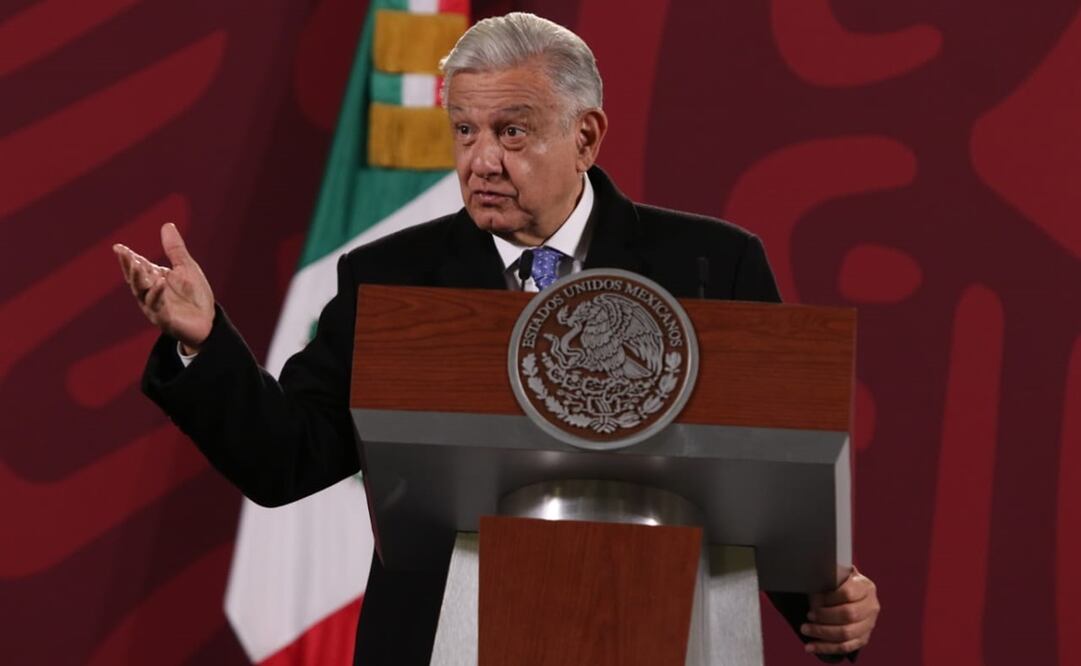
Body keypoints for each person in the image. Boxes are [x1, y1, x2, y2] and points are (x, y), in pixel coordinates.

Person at [114, 12, 879, 665]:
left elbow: (764, 466)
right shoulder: (392, 275)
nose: (480, 161)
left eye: (511, 132)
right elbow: (286, 459)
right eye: (465, 131)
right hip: (445, 635)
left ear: (585, 135)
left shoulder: (712, 264)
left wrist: (822, 602)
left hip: (663, 625)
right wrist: (203, 342)